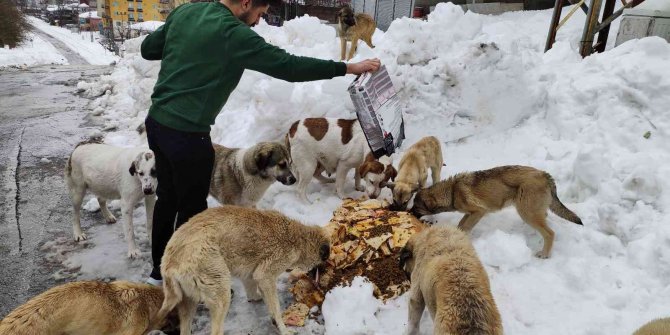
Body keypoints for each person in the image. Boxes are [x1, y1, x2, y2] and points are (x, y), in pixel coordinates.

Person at [140, 0, 381, 285]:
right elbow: (288, 66)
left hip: (157, 124)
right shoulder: (234, 33)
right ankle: (185, 281)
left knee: (168, 197)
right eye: (259, 14)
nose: (257, 21)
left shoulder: (187, 11)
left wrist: (188, 45)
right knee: (193, 214)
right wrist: (347, 67)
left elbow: (148, 49)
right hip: (189, 136)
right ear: (245, 4)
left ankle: (159, 270)